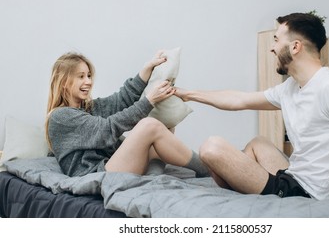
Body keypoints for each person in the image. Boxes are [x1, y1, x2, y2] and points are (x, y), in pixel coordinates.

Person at [174, 12, 329, 201]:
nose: (272, 47)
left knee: (212, 147)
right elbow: (239, 100)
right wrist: (188, 95)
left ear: (295, 47)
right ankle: (247, 191)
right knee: (258, 143)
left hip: (309, 194)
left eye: (276, 40)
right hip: (294, 177)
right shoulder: (291, 87)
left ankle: (248, 191)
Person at [45, 51, 209, 178]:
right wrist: (149, 100)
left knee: (165, 125)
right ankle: (208, 168)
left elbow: (121, 100)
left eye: (88, 75)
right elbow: (106, 130)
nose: (88, 81)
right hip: (97, 174)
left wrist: (147, 69)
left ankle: (152, 179)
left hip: (111, 166)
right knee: (149, 125)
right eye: (81, 77)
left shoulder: (89, 108)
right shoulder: (60, 117)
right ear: (64, 82)